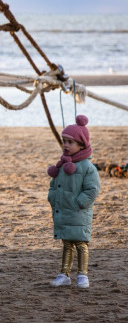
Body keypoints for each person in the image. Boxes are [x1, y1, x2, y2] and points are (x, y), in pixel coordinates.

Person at [47, 115, 100, 288]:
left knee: (81, 243)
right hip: (64, 211)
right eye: (64, 141)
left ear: (82, 145)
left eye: (71, 142)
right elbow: (55, 185)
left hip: (79, 212)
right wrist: (53, 198)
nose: (66, 145)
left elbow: (92, 189)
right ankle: (64, 274)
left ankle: (83, 275)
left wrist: (79, 203)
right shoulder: (63, 166)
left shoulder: (87, 167)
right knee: (67, 243)